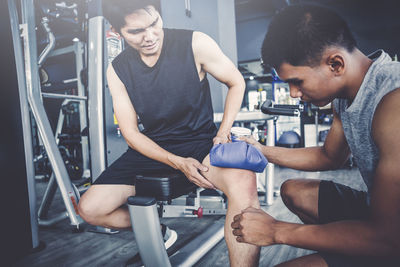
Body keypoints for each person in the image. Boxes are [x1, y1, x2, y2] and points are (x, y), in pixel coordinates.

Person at [77, 0, 260, 266]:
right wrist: (177, 162)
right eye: (137, 31)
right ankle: (160, 234)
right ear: (117, 32)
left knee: (244, 182)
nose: (150, 36)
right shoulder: (117, 69)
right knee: (89, 209)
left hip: (200, 143)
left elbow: (236, 82)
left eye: (154, 24)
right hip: (152, 148)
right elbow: (130, 132)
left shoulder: (195, 43)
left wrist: (223, 133)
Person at [231, 4, 400, 267]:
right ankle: (349, 249)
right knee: (294, 190)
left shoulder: (393, 104)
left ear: (335, 64)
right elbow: (329, 156)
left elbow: (391, 239)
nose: (294, 93)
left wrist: (276, 231)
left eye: (297, 81)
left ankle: (359, 250)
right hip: (378, 215)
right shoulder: (345, 95)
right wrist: (260, 150)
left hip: (390, 237)